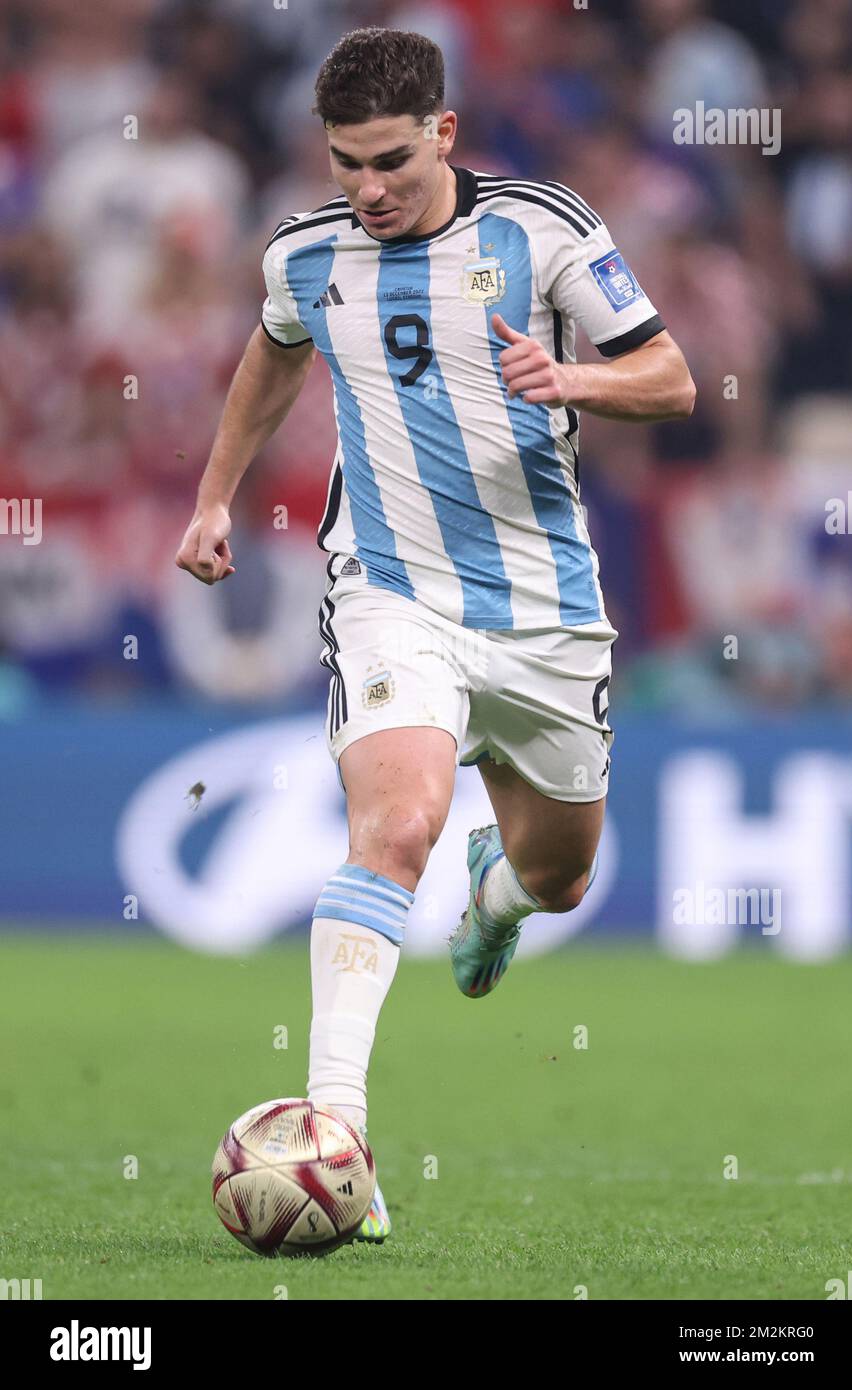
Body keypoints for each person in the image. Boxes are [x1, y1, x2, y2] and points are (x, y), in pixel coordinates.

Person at [175, 26, 695, 1246]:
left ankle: (495, 902)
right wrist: (213, 496)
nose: (368, 188)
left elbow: (670, 376)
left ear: (444, 133)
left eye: (392, 161)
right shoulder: (309, 255)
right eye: (347, 163)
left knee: (559, 874)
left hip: (548, 608)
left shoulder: (544, 229)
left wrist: (577, 384)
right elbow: (272, 353)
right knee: (396, 822)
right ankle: (338, 1132)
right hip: (391, 591)